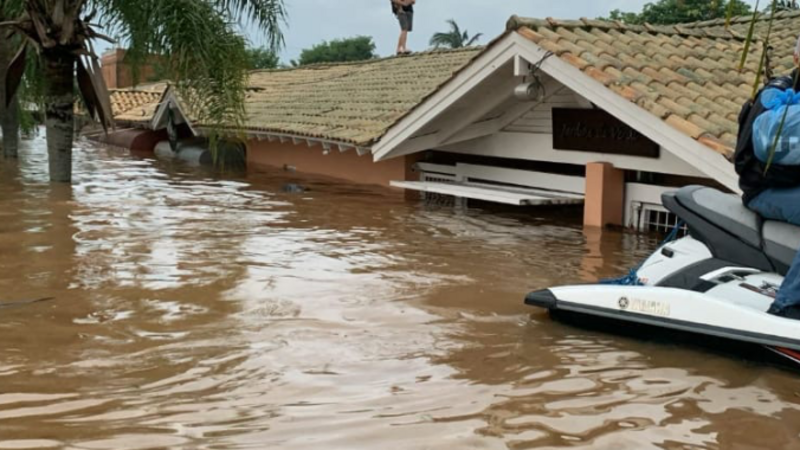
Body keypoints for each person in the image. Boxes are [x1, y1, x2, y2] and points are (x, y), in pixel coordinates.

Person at [735, 35, 800, 320]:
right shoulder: (777, 95)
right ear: (797, 58)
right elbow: (756, 157)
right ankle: (787, 306)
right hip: (764, 190)